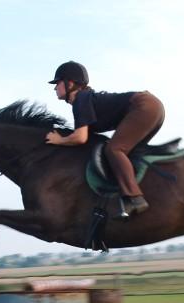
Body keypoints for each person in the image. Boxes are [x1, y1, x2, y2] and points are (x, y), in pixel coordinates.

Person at [45, 60, 165, 217]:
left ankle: (134, 198)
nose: (55, 87)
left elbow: (80, 138)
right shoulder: (85, 99)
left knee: (114, 149)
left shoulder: (81, 100)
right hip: (152, 107)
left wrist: (58, 140)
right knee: (125, 153)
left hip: (144, 106)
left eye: (58, 82)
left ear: (70, 83)